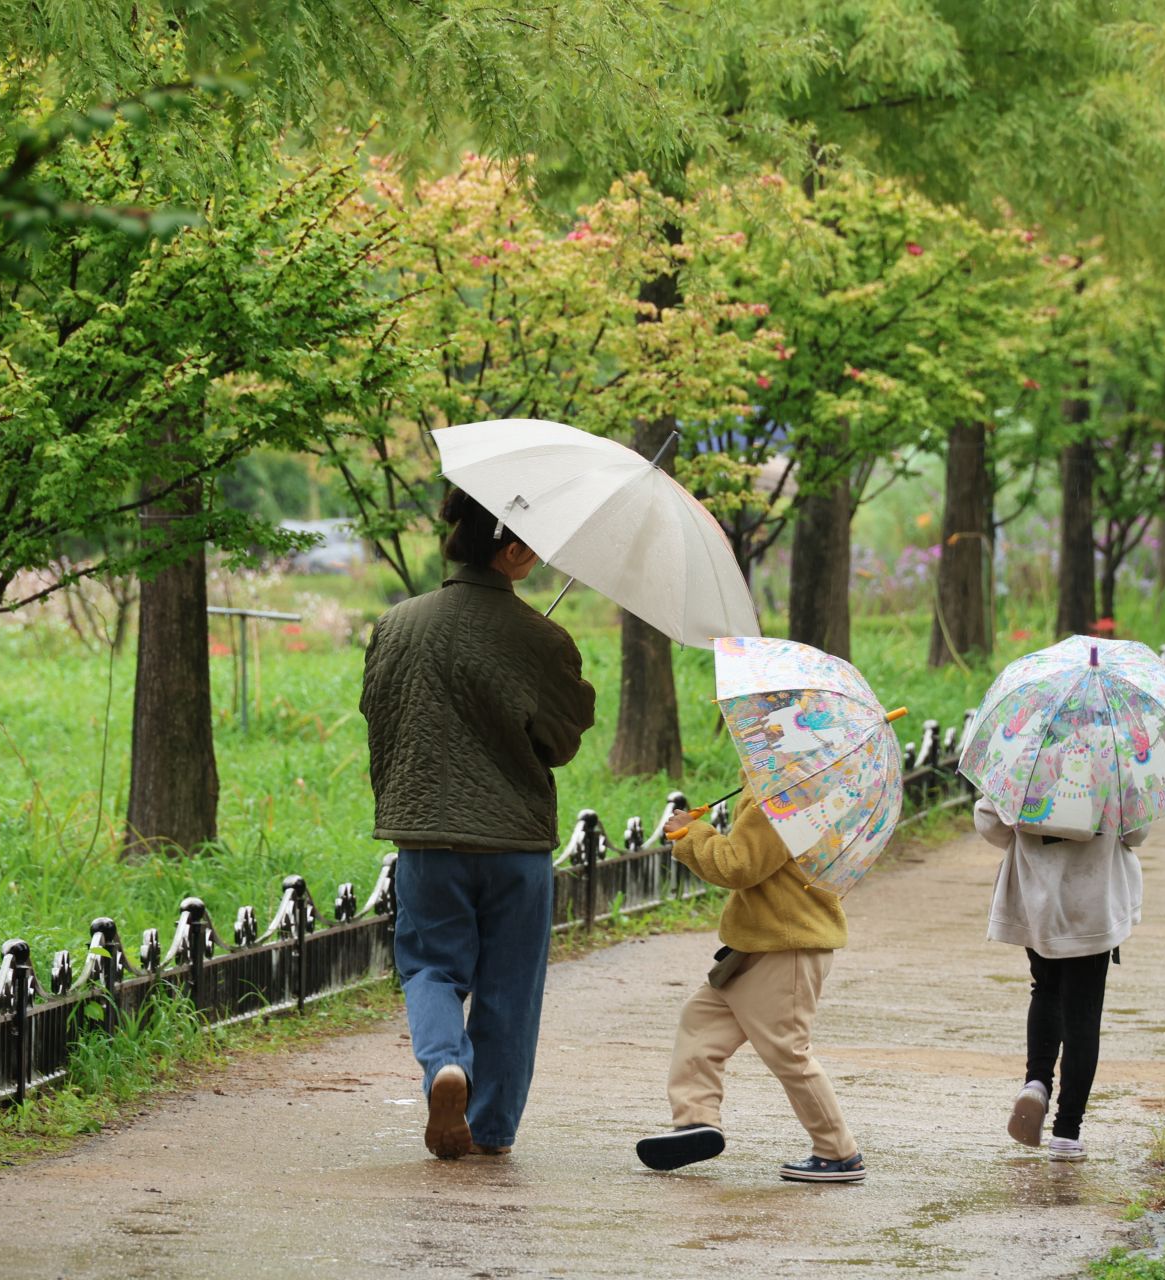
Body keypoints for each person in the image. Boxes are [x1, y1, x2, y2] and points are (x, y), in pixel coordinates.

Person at [359, 487, 597, 1160]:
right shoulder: (541, 638)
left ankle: (445, 1066)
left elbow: (378, 713)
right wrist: (564, 682)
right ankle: (490, 1130)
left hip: (427, 835)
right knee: (509, 990)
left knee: (432, 968)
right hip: (514, 842)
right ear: (511, 550)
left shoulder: (396, 625)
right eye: (534, 545)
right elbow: (559, 741)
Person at [633, 786, 865, 1183]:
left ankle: (839, 1153)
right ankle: (696, 1121)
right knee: (701, 1023)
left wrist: (692, 833)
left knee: (787, 1051)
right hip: (760, 943)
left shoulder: (782, 799)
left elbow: (738, 865)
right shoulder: (791, 790)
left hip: (786, 947)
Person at [973, 796, 1148, 1162]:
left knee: (1045, 988)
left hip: (1037, 899)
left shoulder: (1025, 767)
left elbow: (989, 818)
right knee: (1083, 1014)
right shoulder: (1113, 768)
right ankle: (1067, 1133)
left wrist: (1027, 837)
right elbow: (1136, 832)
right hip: (1094, 903)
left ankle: (1037, 1081)